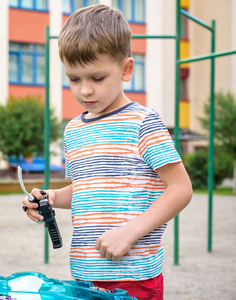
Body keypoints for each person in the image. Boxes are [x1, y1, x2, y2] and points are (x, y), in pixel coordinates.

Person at [23, 4, 192, 300]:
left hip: (134, 276)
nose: (85, 90)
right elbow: (87, 189)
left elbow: (181, 189)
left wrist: (130, 232)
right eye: (74, 79)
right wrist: (51, 198)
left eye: (97, 78)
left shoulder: (142, 122)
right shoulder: (73, 130)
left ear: (126, 69)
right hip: (84, 274)